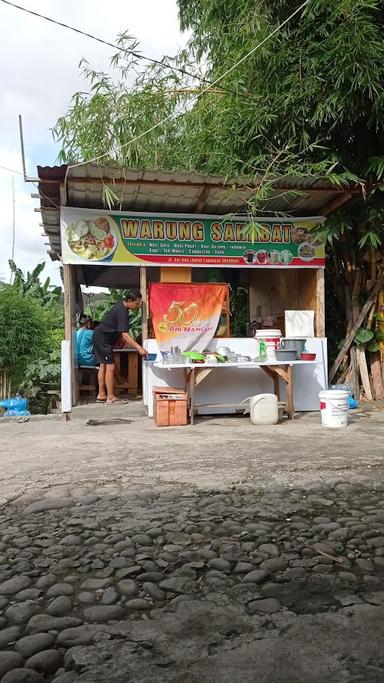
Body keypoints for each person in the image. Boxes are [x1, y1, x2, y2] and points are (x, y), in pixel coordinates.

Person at [92, 289, 147, 404]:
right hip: (103, 339)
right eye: (137, 303)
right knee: (110, 367)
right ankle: (110, 397)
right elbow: (125, 335)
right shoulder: (123, 312)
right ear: (129, 301)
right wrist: (139, 348)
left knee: (103, 365)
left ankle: (102, 394)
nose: (137, 306)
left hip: (99, 336)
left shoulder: (120, 305)